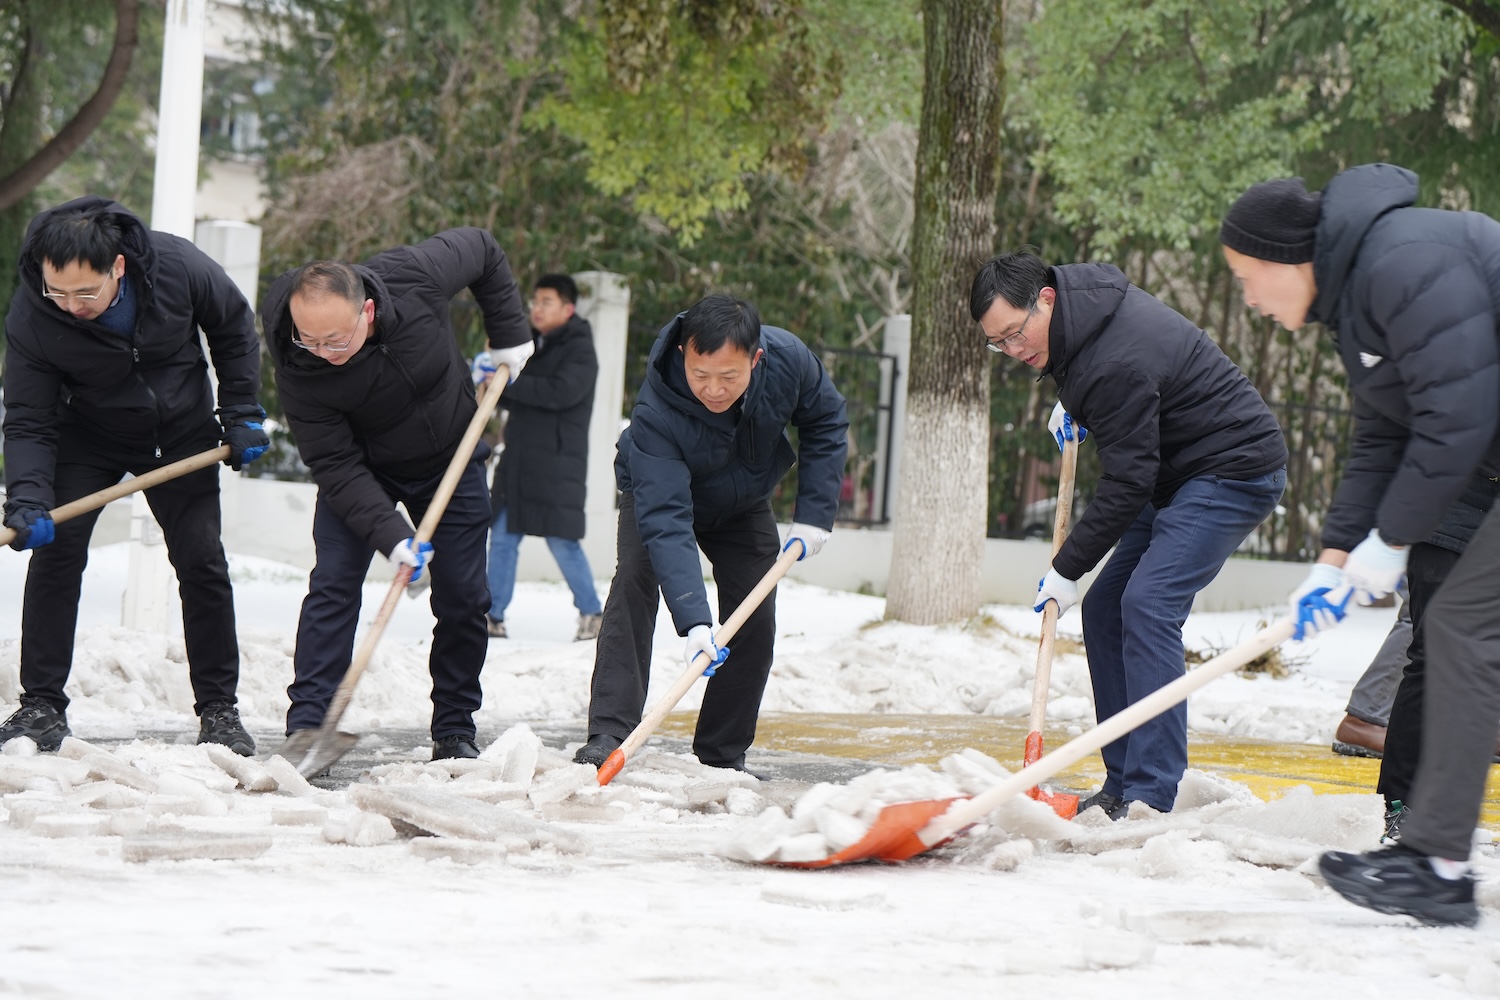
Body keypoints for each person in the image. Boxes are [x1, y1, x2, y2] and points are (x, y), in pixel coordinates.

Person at [1221, 162, 1500, 927]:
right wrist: (1334, 560)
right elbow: (1382, 437)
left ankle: (1435, 866)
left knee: (1464, 624)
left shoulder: (1400, 261)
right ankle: (1434, 861)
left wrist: (1392, 542)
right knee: (1459, 628)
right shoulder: (1359, 303)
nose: (1248, 298)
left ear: (1289, 261)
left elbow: (1457, 419)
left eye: (1248, 278)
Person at [970, 248, 1288, 822]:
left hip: (1232, 469)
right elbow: (1138, 421)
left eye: (1015, 334)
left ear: (1046, 298)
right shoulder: (1080, 320)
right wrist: (1078, 407)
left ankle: (1151, 792)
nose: (1015, 352)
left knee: (1147, 604)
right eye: (1000, 345)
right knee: (1106, 609)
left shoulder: (1109, 355)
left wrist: (1067, 568)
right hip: (1175, 469)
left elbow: (1127, 478)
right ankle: (1121, 780)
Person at [0, 196, 269, 755]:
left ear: (117, 267)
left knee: (201, 559)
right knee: (57, 553)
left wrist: (241, 410)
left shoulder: (177, 267)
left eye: (85, 293)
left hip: (179, 432)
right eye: (58, 291)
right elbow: (27, 417)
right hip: (88, 435)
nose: (69, 305)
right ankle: (41, 706)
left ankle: (219, 709)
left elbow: (233, 327)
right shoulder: (33, 313)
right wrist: (27, 497)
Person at [261, 229, 533, 761]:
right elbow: (333, 463)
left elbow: (482, 249)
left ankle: (454, 727)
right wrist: (391, 536)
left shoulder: (412, 276)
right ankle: (308, 726)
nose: (324, 354)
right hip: (363, 473)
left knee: (464, 598)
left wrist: (508, 335)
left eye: (336, 340)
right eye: (309, 340)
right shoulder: (298, 365)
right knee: (334, 586)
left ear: (366, 310)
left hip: (451, 459)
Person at [571, 294, 848, 773]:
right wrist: (694, 621)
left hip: (741, 502)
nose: (714, 390)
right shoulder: (656, 410)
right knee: (635, 580)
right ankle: (609, 733)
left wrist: (815, 513)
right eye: (701, 375)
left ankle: (721, 753)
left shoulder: (789, 361)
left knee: (753, 612)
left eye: (729, 377)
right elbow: (666, 520)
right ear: (684, 355)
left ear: (756, 360)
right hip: (660, 494)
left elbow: (825, 418)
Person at [474, 273, 603, 642]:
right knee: (501, 536)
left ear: (568, 308)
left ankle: (593, 613)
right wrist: (492, 376)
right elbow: (514, 388)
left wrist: (508, 383)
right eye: (536, 301)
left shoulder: (580, 347)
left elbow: (561, 392)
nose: (537, 308)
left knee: (561, 539)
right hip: (518, 460)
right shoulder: (532, 343)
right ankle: (492, 616)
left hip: (556, 463)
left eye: (547, 302)